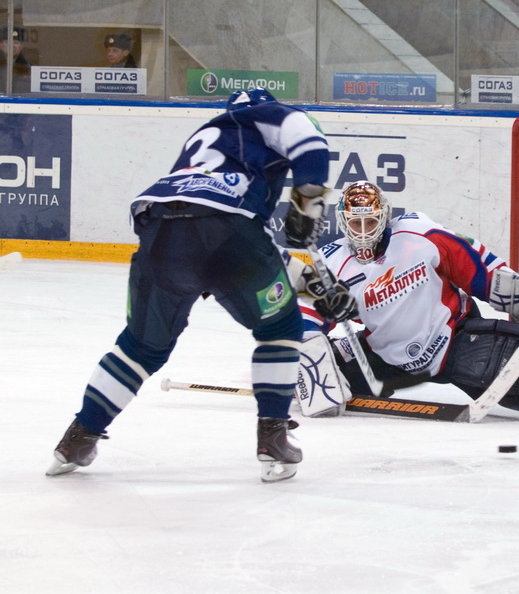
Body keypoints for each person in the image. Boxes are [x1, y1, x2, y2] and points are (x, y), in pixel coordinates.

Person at [45, 87, 356, 482]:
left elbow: (243, 254)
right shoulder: (265, 116)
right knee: (281, 327)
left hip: (158, 229)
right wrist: (307, 202)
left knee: (140, 346)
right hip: (225, 232)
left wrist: (318, 287)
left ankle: (78, 437)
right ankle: (272, 436)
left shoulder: (205, 147)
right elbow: (309, 145)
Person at [292, 181, 519, 423]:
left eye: (371, 220)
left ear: (384, 215)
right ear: (342, 223)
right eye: (357, 223)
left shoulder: (419, 233)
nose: (365, 230)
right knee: (315, 366)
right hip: (386, 359)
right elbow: (306, 312)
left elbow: (475, 266)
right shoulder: (331, 262)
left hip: (457, 342)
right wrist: (309, 353)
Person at [0, 25, 31, 93]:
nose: (12, 46)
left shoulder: (28, 69)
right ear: (1, 45)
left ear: (21, 47)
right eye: (7, 42)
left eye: (16, 43)